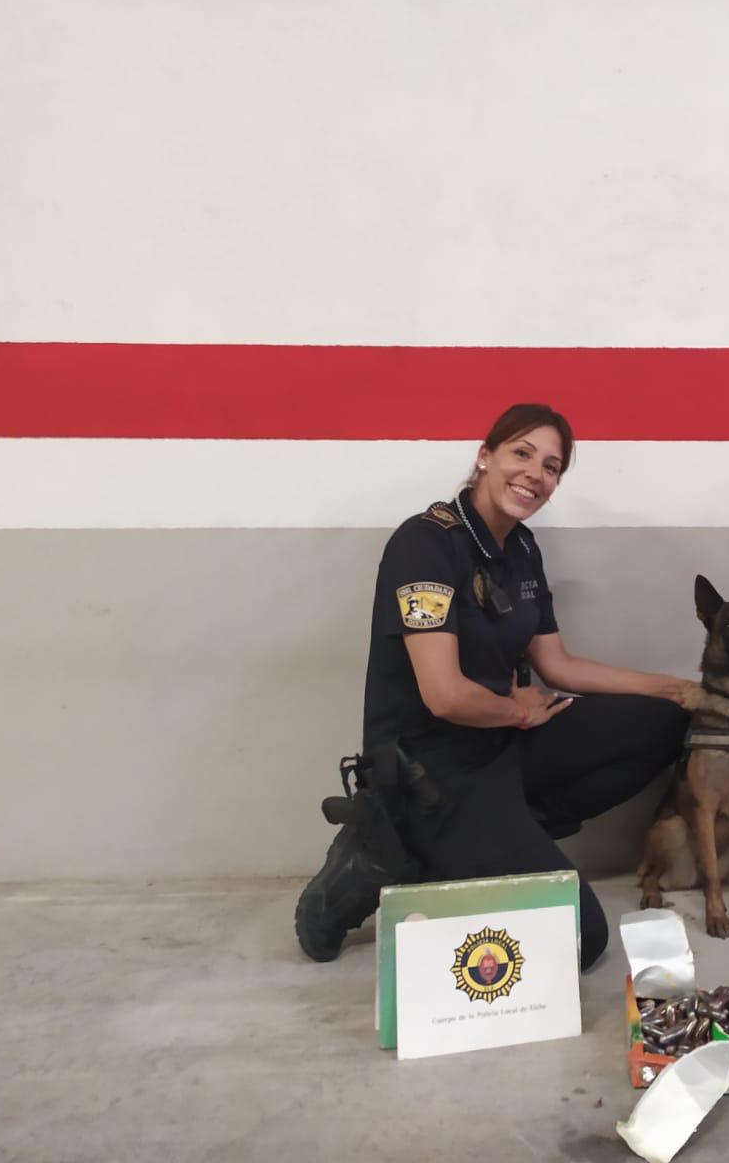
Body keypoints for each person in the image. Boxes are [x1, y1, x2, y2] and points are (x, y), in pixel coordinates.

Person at [295, 403, 690, 970]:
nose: (536, 474)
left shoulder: (523, 549)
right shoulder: (425, 543)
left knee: (664, 722)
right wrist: (518, 712)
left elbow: (559, 665)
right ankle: (392, 850)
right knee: (584, 940)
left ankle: (502, 841)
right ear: (485, 457)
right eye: (522, 454)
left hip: (503, 743)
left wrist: (677, 689)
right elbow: (445, 696)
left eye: (552, 466)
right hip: (434, 769)